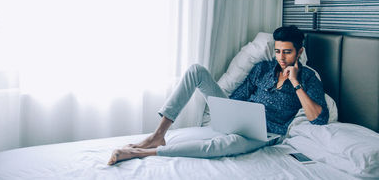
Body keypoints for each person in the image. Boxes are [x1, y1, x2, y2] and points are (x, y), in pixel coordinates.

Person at [108, 25, 329, 165]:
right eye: (278, 51)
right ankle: (159, 134)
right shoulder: (263, 68)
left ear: (299, 52)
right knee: (196, 70)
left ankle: (142, 154)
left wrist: (295, 82)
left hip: (265, 133)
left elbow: (318, 118)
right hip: (237, 117)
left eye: (287, 52)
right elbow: (239, 97)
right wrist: (229, 112)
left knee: (220, 146)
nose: (281, 57)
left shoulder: (309, 78)